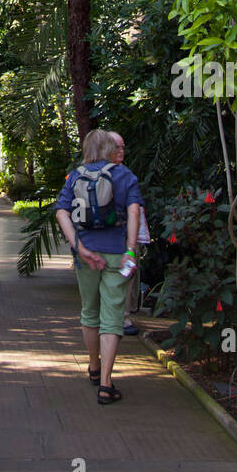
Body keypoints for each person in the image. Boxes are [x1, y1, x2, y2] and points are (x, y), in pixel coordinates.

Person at [55, 128, 143, 404]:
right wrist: (130, 248)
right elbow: (134, 211)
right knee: (113, 313)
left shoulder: (75, 176)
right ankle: (106, 383)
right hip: (117, 252)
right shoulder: (124, 174)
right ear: (108, 149)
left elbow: (61, 212)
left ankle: (93, 366)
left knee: (89, 312)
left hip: (86, 253)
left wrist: (78, 247)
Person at [108, 130, 147, 335]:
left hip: (119, 236)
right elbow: (133, 210)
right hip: (119, 236)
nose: (121, 151)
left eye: (123, 147)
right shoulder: (121, 175)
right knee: (121, 275)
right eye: (117, 147)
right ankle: (119, 320)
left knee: (124, 276)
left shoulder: (122, 173)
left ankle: (118, 318)